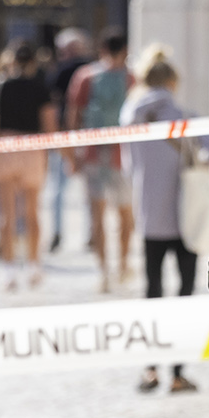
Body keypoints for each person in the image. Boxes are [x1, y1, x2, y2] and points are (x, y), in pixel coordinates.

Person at [123, 45, 209, 393]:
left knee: (152, 292)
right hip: (186, 215)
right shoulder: (184, 116)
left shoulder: (129, 117)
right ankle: (177, 371)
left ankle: (149, 369)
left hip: (150, 214)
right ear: (172, 81)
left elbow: (130, 166)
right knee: (185, 292)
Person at [0, 41, 56, 289]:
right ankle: (34, 265)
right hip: (31, 148)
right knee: (32, 212)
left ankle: (8, 270)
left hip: (5, 147)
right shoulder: (40, 88)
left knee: (5, 213)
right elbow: (49, 125)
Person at [66, 32, 134, 291]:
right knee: (125, 213)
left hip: (94, 152)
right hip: (122, 154)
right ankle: (123, 265)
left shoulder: (86, 76)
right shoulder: (130, 78)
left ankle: (104, 271)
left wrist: (72, 155)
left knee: (97, 214)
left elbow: (74, 115)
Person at [45, 28, 93, 252]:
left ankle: (57, 233)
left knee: (58, 189)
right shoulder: (93, 69)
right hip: (90, 135)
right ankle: (91, 233)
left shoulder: (63, 72)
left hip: (67, 134)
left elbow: (55, 106)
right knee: (89, 189)